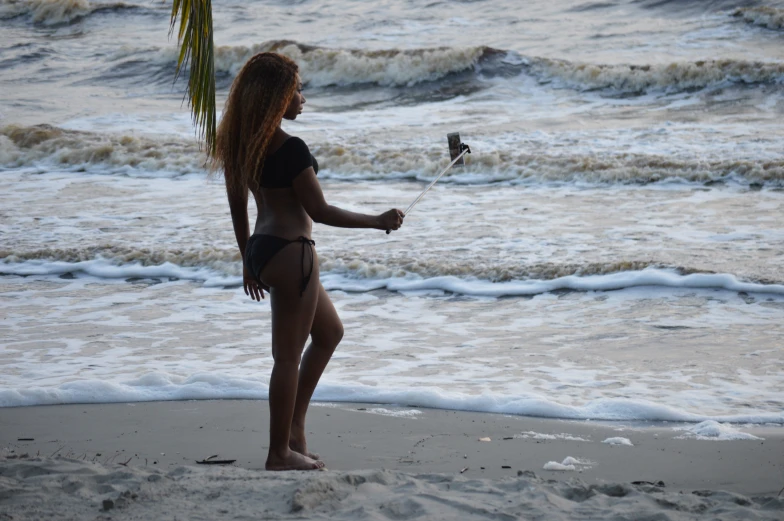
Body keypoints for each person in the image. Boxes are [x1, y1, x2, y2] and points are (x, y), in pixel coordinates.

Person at [214, 52, 404, 471]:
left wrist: (247, 258)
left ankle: (295, 430)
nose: (303, 97)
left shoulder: (239, 143)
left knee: (330, 332)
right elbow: (319, 211)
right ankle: (278, 452)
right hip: (293, 254)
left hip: (264, 250)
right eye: (297, 90)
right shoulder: (292, 148)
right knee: (285, 358)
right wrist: (378, 221)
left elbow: (237, 206)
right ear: (277, 98)